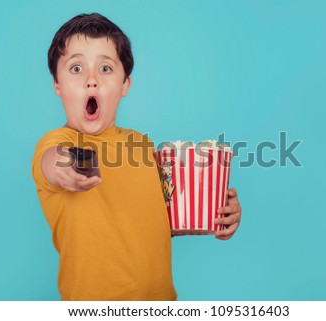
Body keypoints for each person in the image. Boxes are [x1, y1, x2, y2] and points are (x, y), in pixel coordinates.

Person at [32, 13, 242, 300]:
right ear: (57, 84)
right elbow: (52, 161)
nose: (91, 80)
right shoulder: (59, 142)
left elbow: (156, 220)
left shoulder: (141, 146)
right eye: (77, 68)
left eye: (105, 68)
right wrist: (65, 166)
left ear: (125, 85)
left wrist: (215, 213)